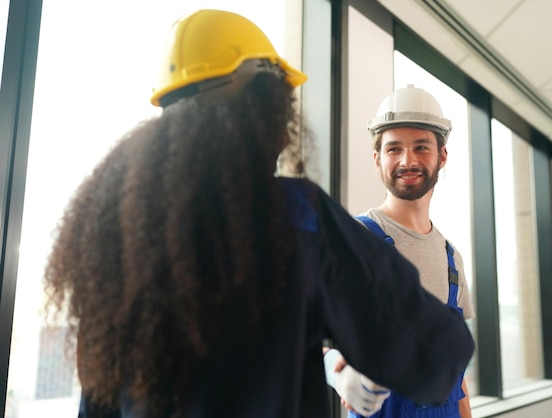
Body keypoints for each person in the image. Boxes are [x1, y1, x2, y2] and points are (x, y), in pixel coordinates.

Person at [43, 10, 474, 418]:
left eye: (421, 146)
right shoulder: (296, 218)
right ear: (265, 106)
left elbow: (96, 400)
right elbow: (438, 352)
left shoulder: (116, 234)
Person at [326, 85, 476, 418]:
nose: (408, 160)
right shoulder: (352, 240)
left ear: (442, 156)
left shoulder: (452, 259)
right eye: (394, 149)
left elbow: (457, 378)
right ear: (378, 158)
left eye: (421, 147)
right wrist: (335, 371)